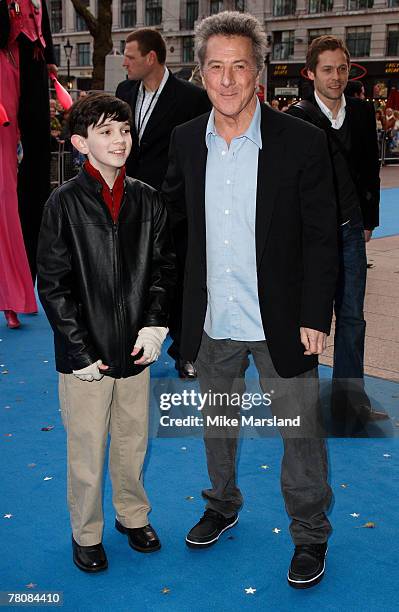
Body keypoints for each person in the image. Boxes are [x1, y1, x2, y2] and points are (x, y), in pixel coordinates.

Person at [162, 11, 338, 589]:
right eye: (216, 67)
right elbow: (177, 230)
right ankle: (222, 503)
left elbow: (320, 236)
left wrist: (317, 314)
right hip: (215, 318)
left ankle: (309, 534)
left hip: (282, 320)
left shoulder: (301, 143)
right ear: (202, 73)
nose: (228, 79)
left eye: (240, 65)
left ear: (258, 71)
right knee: (216, 423)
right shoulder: (186, 140)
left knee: (299, 432)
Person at [37, 93, 175, 573]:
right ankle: (86, 531)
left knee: (133, 441)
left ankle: (132, 517)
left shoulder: (148, 199)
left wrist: (156, 325)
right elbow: (54, 285)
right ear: (80, 143)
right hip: (85, 358)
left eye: (124, 130)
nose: (120, 140)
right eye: (106, 131)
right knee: (87, 448)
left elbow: (162, 269)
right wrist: (78, 350)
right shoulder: (62, 204)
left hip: (136, 350)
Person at [287, 36, 388, 430]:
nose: (336, 77)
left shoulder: (362, 114)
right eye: (327, 69)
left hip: (349, 230)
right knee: (307, 317)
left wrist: (368, 221)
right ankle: (304, 403)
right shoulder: (296, 117)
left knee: (352, 317)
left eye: (342, 68)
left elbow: (370, 171)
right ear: (311, 72)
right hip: (309, 237)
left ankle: (350, 402)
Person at [116, 28, 211, 379]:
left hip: (176, 205)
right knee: (134, 276)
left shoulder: (190, 97)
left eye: (130, 57)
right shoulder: (124, 92)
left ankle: (185, 352)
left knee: (182, 277)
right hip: (131, 203)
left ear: (151, 58)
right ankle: (136, 347)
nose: (124, 62)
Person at [0, 0, 56, 327]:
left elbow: (42, 35)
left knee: (30, 195)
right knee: (6, 193)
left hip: (31, 76)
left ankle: (21, 288)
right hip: (5, 78)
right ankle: (10, 295)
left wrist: (48, 64)